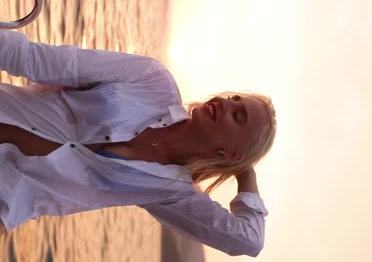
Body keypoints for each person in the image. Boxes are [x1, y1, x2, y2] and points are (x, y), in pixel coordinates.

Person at [0, 30, 276, 257]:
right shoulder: (152, 80)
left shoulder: (171, 193)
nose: (226, 103)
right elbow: (31, 58)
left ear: (231, 152)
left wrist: (245, 171)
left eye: (238, 116)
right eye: (234, 99)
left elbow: (247, 241)